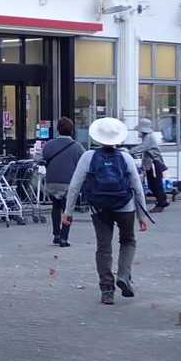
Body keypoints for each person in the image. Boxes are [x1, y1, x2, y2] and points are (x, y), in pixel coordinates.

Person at [63, 117, 149, 305]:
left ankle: (107, 290)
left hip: (99, 207)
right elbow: (137, 187)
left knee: (103, 247)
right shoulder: (126, 157)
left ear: (97, 137)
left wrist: (68, 212)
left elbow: (75, 186)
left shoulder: (88, 157)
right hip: (125, 206)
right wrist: (142, 216)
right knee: (128, 240)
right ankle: (124, 275)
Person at [37, 117, 82, 247]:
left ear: (58, 130)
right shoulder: (77, 147)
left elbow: (40, 158)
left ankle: (56, 234)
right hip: (68, 183)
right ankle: (64, 237)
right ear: (72, 131)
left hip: (52, 181)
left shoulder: (49, 144)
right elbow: (83, 163)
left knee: (55, 206)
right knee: (67, 209)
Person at [135, 118, 168, 211]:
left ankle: (161, 203)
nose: (138, 132)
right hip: (152, 163)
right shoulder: (147, 137)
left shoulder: (148, 137)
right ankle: (162, 201)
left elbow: (142, 148)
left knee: (155, 184)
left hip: (154, 163)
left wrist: (128, 151)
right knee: (152, 184)